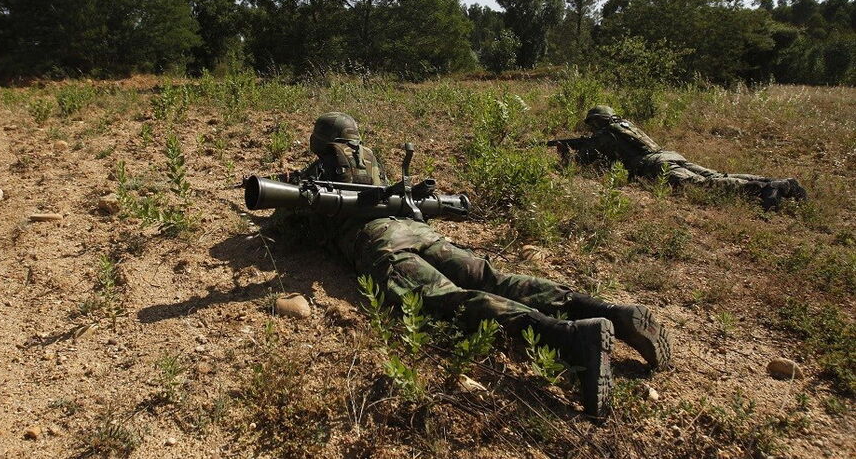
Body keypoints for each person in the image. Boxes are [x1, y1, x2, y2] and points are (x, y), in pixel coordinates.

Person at [278, 112, 672, 418]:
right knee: (492, 277)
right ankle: (613, 313)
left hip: (379, 245)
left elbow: (294, 225)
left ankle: (568, 338)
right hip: (417, 230)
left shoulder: (321, 172)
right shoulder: (373, 162)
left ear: (320, 141)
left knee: (446, 300)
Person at [552, 106, 807, 210]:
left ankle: (763, 188)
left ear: (598, 121)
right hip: (669, 155)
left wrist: (565, 155)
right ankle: (779, 182)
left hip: (656, 165)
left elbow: (579, 164)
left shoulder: (606, 134)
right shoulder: (625, 126)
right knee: (716, 174)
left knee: (701, 184)